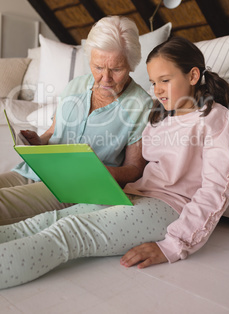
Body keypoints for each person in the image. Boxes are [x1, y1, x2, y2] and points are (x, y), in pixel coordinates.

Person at [0, 36, 229, 289]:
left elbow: (217, 188)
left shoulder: (215, 117)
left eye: (165, 80)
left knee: (70, 232)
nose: (157, 90)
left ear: (193, 76)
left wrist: (174, 244)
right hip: (134, 195)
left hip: (171, 207)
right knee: (49, 220)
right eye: (153, 82)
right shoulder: (158, 117)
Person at [0, 16, 152, 225]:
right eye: (98, 67)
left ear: (131, 64)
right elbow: (52, 133)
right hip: (37, 169)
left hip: (73, 185)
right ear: (90, 60)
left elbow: (135, 169)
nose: (105, 79)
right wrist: (37, 141)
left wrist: (103, 172)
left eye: (116, 70)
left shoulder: (141, 105)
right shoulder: (76, 85)